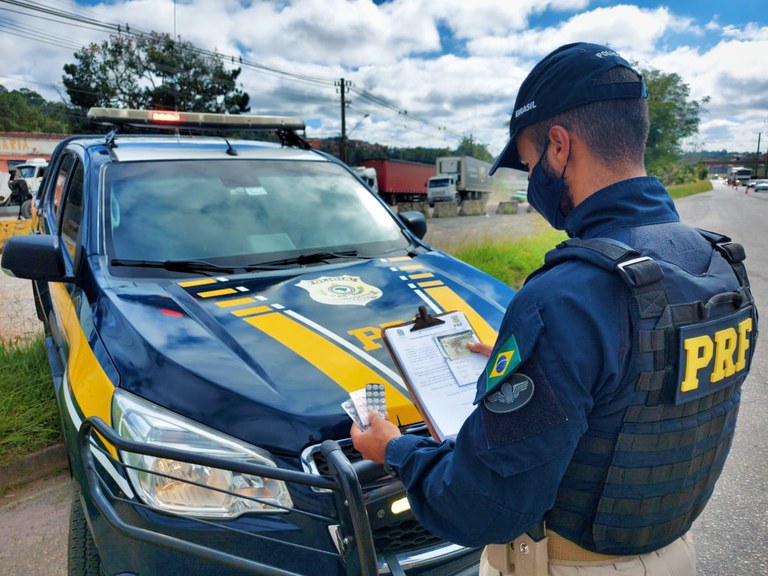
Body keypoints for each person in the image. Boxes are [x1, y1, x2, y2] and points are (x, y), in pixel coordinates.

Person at [351, 42, 758, 576]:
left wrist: (395, 450)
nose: (531, 179)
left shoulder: (567, 296)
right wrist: (537, 364)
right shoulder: (722, 263)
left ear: (559, 147)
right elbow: (635, 389)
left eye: (527, 162)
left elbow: (480, 505)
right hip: (676, 555)